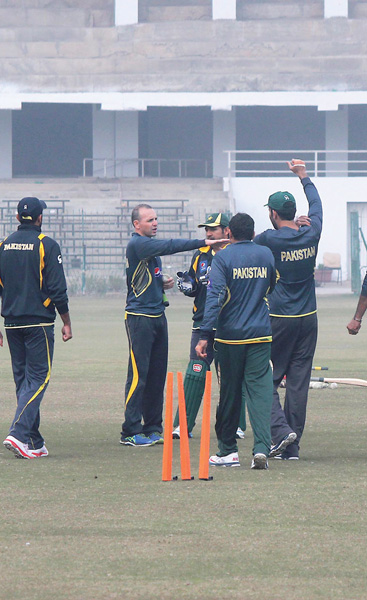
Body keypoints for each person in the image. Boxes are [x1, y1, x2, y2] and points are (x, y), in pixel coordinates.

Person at [120, 203, 227, 447]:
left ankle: (153, 427)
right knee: (139, 374)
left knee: (157, 375)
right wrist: (204, 242)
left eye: (156, 219)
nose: (155, 223)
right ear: (137, 225)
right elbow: (170, 246)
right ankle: (130, 431)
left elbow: (146, 277)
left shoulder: (149, 249)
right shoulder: (138, 244)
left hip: (158, 315)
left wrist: (161, 282)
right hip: (140, 317)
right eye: (149, 220)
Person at [254, 159, 323, 460]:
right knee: (298, 383)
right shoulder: (311, 232)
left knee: (262, 378)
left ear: (272, 213)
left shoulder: (269, 239)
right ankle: (291, 448)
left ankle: (281, 432)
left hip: (280, 318)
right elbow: (317, 206)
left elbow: (247, 245)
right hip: (309, 318)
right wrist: (303, 176)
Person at [196, 212, 276, 469]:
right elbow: (271, 286)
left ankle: (228, 450)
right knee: (260, 392)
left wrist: (204, 334)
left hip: (230, 338)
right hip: (261, 335)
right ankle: (262, 449)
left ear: (229, 233)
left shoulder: (223, 257)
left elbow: (215, 296)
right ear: (253, 233)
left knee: (230, 393)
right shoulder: (265, 254)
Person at [0, 196, 72, 459]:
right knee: (39, 379)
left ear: (18, 218)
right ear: (40, 218)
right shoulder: (47, 245)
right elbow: (57, 289)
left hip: (11, 323)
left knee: (23, 380)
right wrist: (66, 321)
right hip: (38, 322)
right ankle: (18, 433)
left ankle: (33, 441)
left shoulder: (3, 245)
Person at [172, 212, 246, 440]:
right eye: (206, 229)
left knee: (231, 377)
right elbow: (195, 286)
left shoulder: (235, 254)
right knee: (195, 371)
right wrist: (187, 286)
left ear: (227, 231)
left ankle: (236, 426)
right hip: (202, 323)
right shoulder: (200, 254)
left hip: (229, 325)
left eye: (213, 229)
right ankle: (182, 426)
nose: (209, 233)